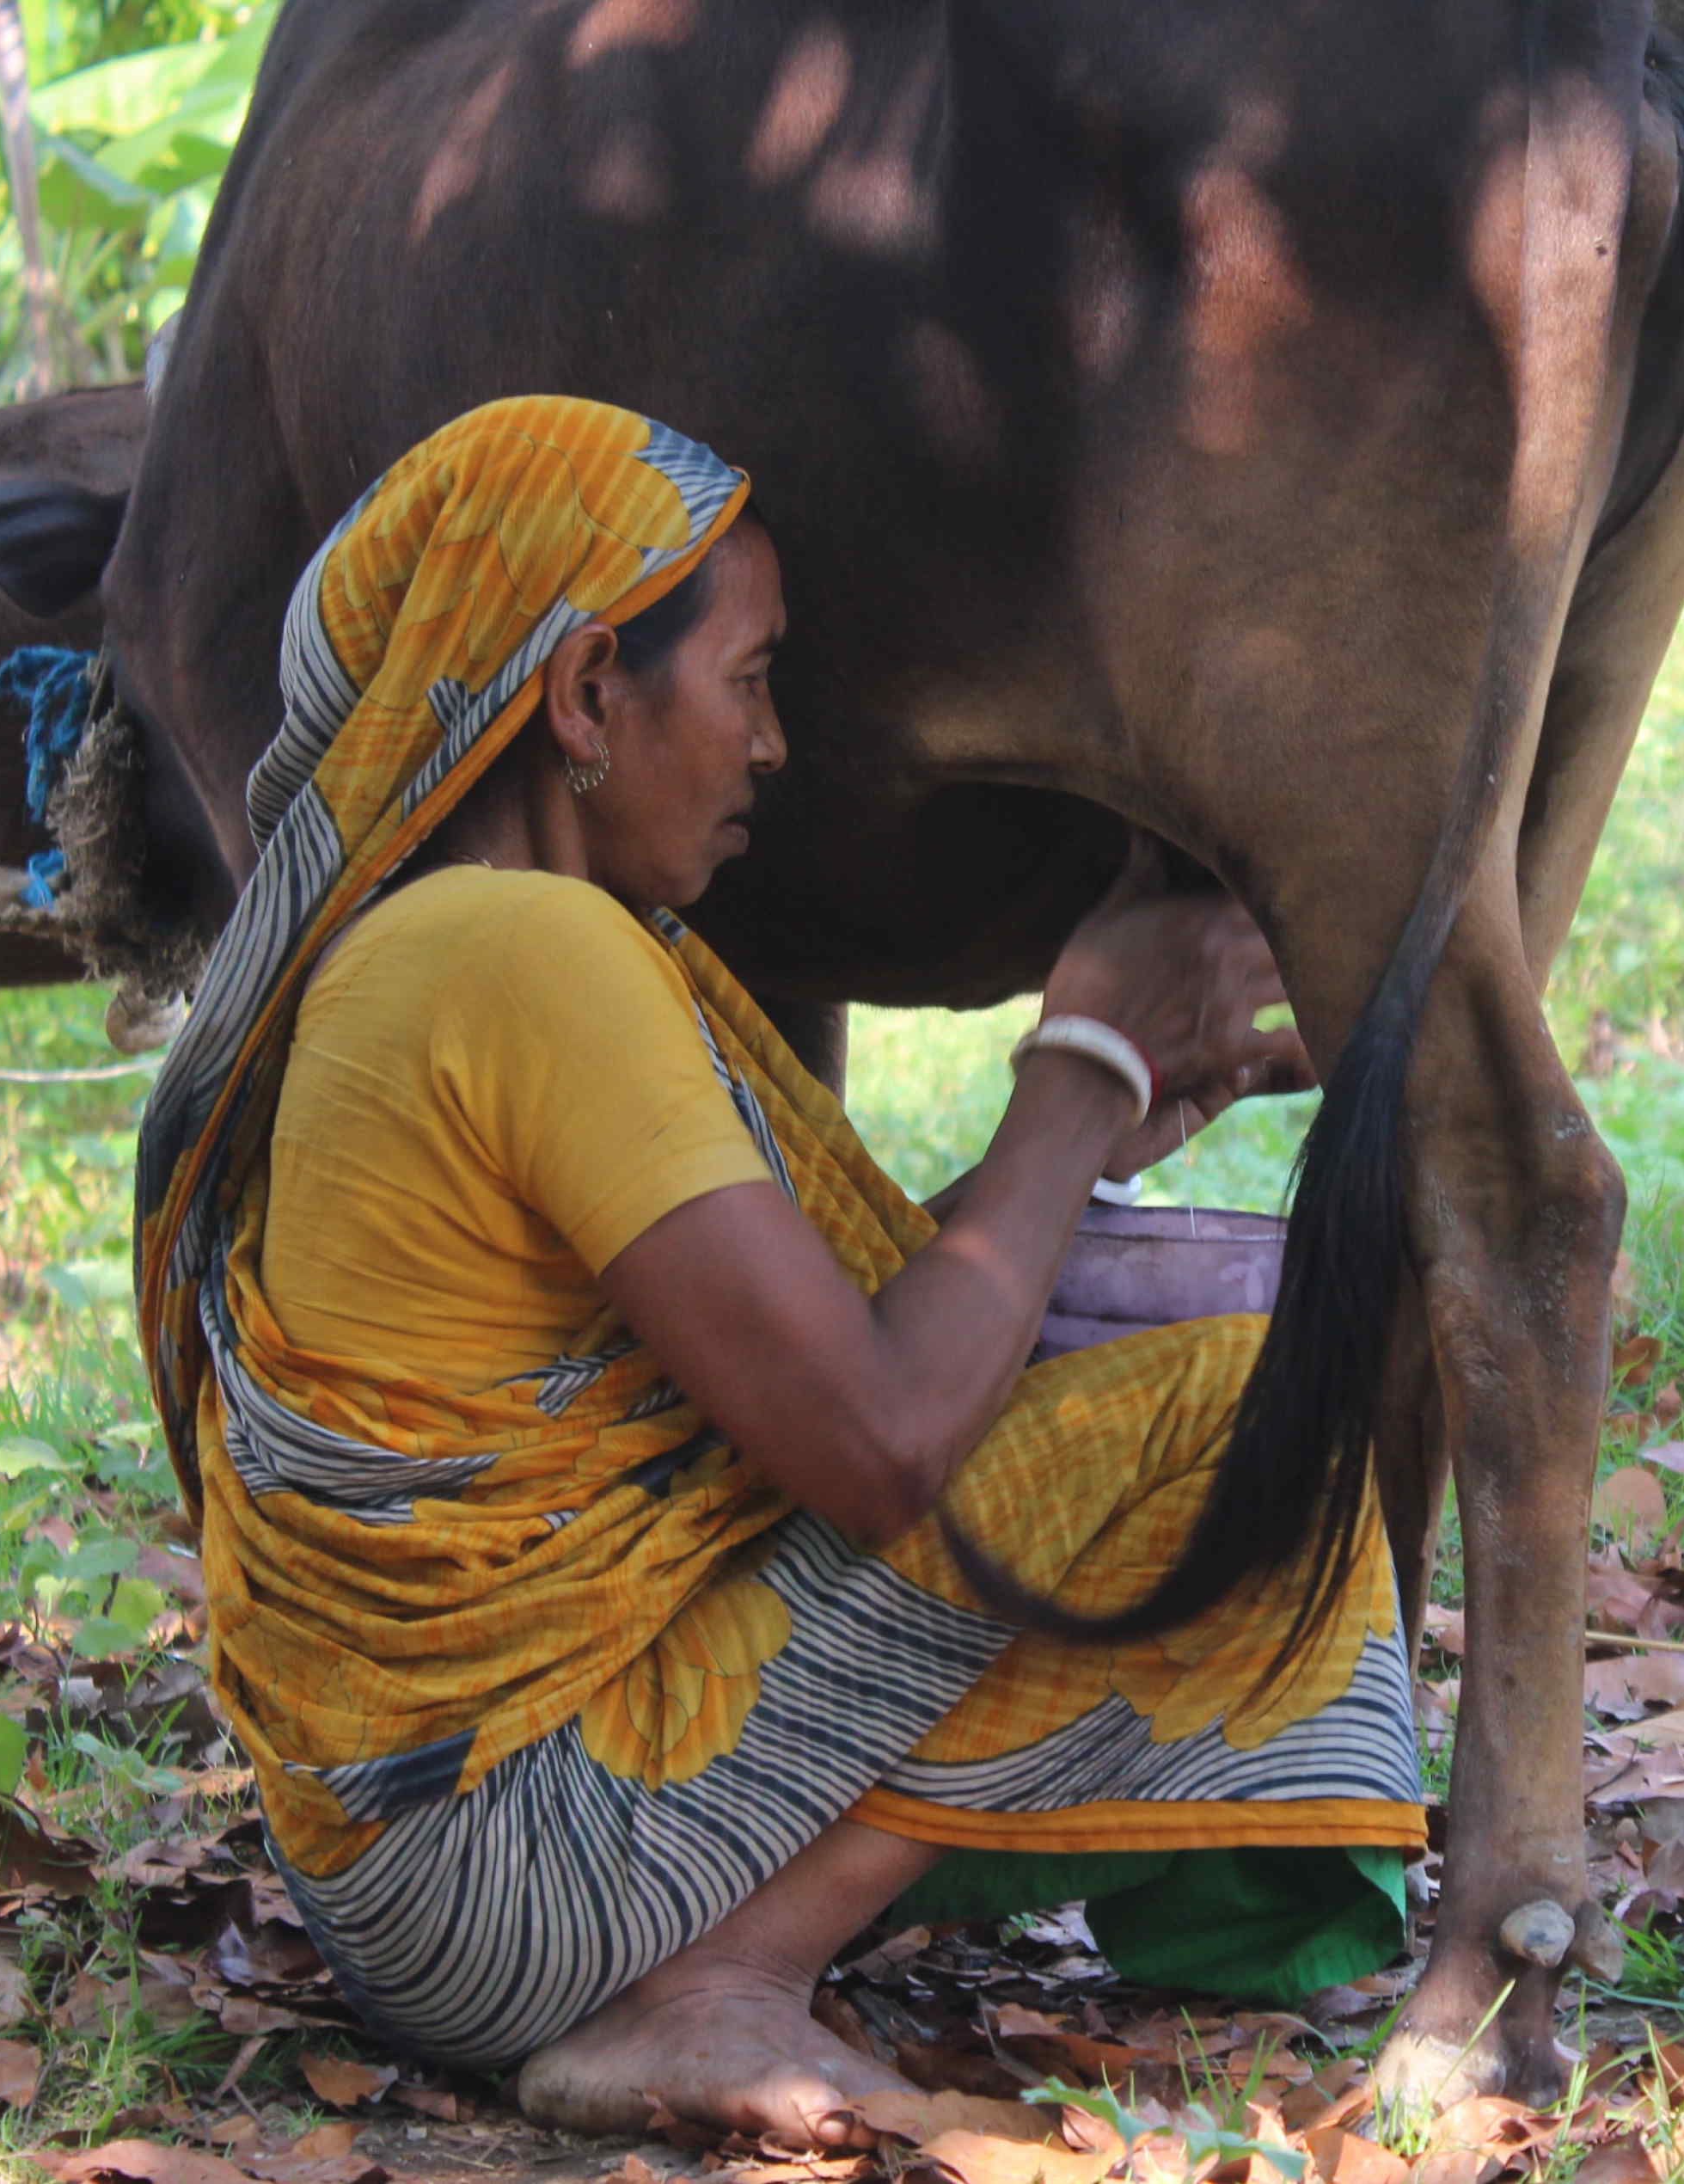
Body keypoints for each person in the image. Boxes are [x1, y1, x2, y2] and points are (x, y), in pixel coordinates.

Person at [132, 397, 1424, 2146]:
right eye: (745, 679)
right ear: (588, 692)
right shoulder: (523, 952)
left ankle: (718, 1956)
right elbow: (881, 1435)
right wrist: (1075, 1066)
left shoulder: (431, 947)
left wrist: (1089, 1136)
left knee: (1115, 1378)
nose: (771, 746)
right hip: (521, 1876)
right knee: (1241, 1394)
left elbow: (823, 1346)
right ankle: (717, 1978)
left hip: (414, 1878)